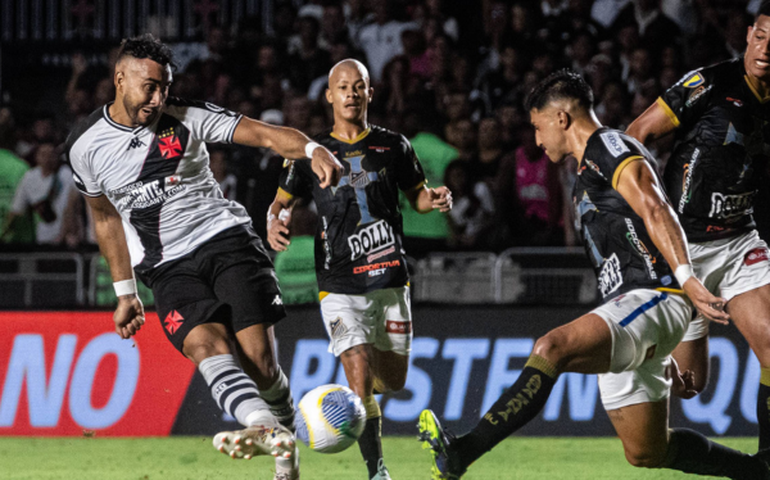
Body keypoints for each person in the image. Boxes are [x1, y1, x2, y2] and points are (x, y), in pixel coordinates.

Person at [418, 69, 770, 480]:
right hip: (630, 306)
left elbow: (657, 207)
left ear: (561, 119)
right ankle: (757, 473)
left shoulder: (610, 146)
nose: (536, 139)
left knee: (552, 348)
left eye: (537, 126)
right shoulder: (586, 168)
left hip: (656, 294)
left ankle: (462, 451)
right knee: (646, 450)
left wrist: (687, 278)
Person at [64, 34, 342, 480]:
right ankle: (265, 431)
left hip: (225, 241)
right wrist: (125, 293)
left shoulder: (187, 117)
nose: (158, 98)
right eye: (149, 86)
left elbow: (265, 135)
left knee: (262, 367)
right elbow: (104, 219)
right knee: (203, 346)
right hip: (166, 265)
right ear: (119, 79)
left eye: (164, 87)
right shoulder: (84, 146)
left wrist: (312, 149)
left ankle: (278, 431)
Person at [267, 58, 452, 480]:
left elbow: (417, 196)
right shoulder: (309, 152)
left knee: (393, 381)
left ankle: (364, 407)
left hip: (389, 277)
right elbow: (281, 202)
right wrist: (277, 220)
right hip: (339, 282)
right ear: (329, 95)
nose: (351, 93)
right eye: (343, 87)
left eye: (359, 86)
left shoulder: (394, 145)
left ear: (371, 93)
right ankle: (378, 471)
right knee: (359, 374)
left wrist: (435, 198)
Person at [626, 1, 770, 451]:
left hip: (738, 242)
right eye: (762, 36)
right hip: (681, 246)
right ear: (748, 34)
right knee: (690, 386)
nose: (767, 48)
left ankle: (766, 461)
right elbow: (637, 133)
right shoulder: (710, 83)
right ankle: (633, 370)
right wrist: (642, 210)